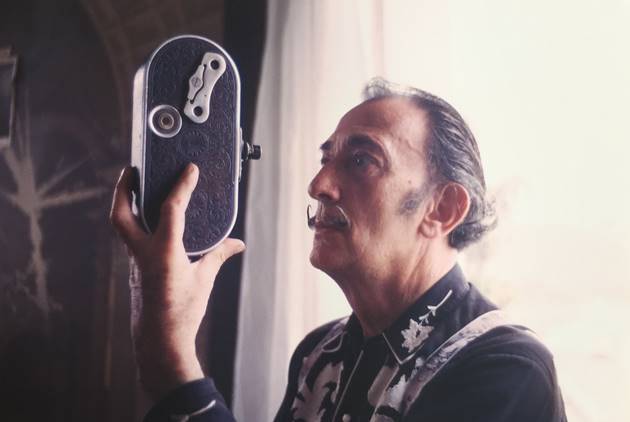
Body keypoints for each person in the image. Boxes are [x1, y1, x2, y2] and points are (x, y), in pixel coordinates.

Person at [110, 78, 567, 421]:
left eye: (362, 160)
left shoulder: (506, 369)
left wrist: (172, 359)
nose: (318, 185)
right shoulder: (318, 353)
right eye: (325, 159)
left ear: (442, 209)